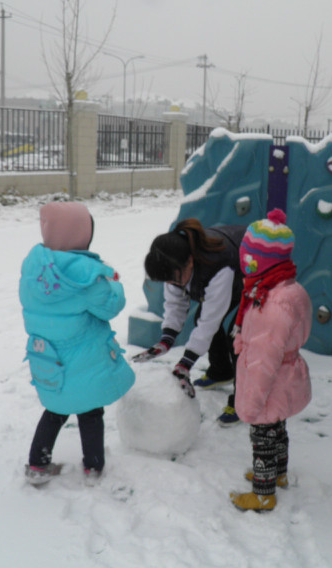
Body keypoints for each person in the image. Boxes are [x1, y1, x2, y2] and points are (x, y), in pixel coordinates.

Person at [19, 201, 134, 485]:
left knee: (55, 410)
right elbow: (111, 306)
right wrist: (112, 281)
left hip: (48, 358)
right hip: (84, 360)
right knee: (90, 411)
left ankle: (37, 466)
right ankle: (93, 467)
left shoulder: (35, 268)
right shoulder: (86, 275)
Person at [228, 209, 313, 512]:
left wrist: (252, 401)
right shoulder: (285, 287)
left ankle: (263, 493)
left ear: (257, 260)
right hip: (286, 374)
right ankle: (278, 474)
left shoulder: (271, 304)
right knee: (277, 428)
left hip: (271, 381)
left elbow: (264, 361)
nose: (244, 261)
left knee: (263, 432)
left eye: (247, 256)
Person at [135, 218, 246, 426]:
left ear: (190, 262)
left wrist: (186, 363)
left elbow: (210, 321)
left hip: (258, 275)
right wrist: (165, 341)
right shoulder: (173, 264)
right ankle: (221, 371)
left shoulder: (218, 266)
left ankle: (244, 399)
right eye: (168, 281)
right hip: (234, 277)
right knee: (200, 318)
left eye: (173, 280)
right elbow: (175, 304)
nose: (172, 284)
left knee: (239, 335)